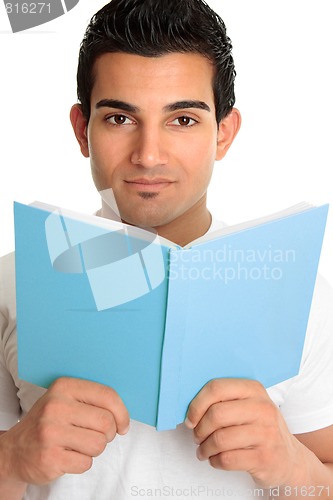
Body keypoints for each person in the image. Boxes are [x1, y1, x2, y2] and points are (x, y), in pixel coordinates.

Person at [1, 0, 333, 498]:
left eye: (182, 120)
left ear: (224, 132)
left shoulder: (298, 292)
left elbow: (320, 480)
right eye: (119, 118)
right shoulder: (10, 283)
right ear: (81, 129)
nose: (148, 155)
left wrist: (292, 467)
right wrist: (12, 458)